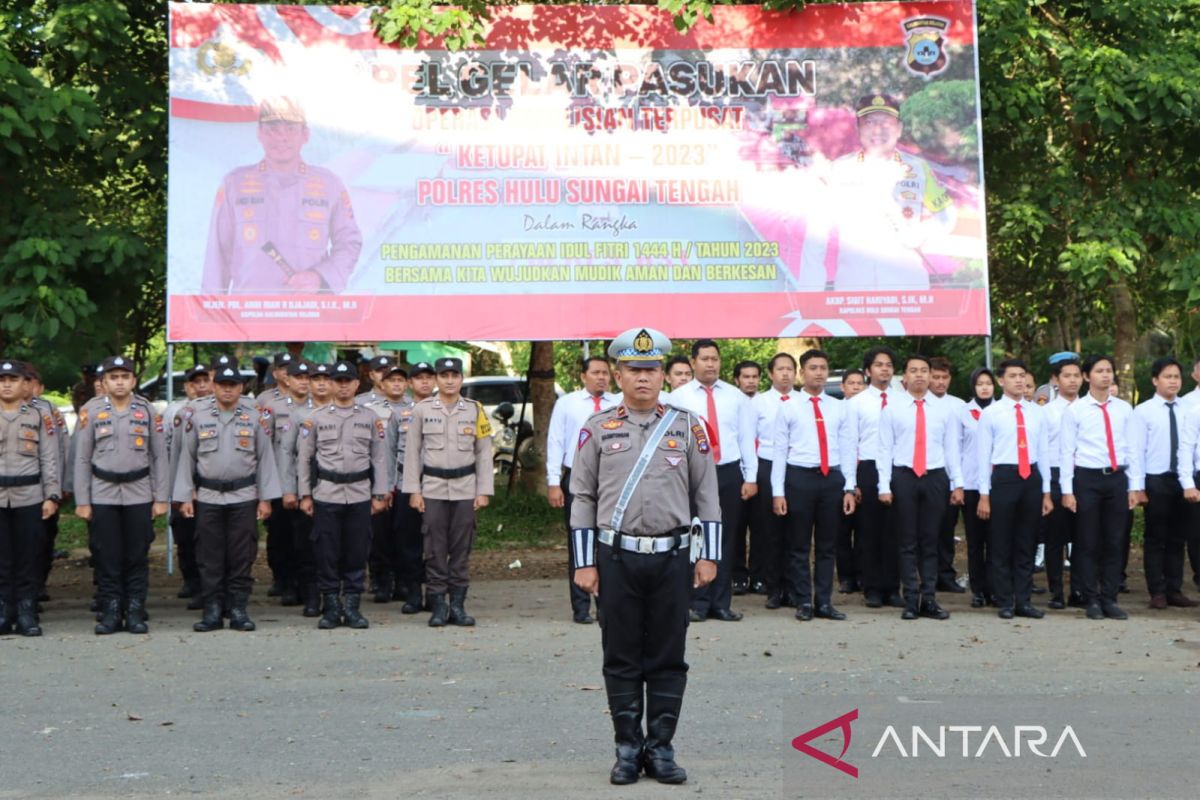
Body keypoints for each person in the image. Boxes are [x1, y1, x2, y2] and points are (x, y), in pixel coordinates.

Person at [568, 327, 720, 786]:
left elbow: (707, 495)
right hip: (617, 558)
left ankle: (662, 748)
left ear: (663, 375)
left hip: (673, 557)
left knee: (668, 654)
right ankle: (628, 750)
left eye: (651, 370)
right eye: (634, 370)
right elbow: (582, 498)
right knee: (621, 653)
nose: (643, 378)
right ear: (617, 374)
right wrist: (584, 562)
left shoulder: (688, 425)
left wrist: (708, 555)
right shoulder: (597, 429)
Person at [201, 97, 363, 294]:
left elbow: (349, 242)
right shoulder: (234, 184)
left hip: (310, 313)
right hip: (248, 314)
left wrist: (320, 277)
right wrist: (211, 313)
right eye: (272, 130)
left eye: (290, 129)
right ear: (260, 133)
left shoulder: (329, 184)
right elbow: (218, 253)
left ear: (305, 135)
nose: (281, 137)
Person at [797, 93, 956, 291]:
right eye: (869, 122)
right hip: (854, 289)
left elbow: (948, 216)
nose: (878, 130)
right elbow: (816, 235)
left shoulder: (918, 168)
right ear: (858, 129)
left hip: (907, 287)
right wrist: (809, 292)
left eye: (886, 122)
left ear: (899, 129)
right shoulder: (838, 170)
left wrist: (921, 232)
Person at [174, 362, 281, 632]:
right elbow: (186, 459)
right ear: (214, 387)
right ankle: (212, 609)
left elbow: (265, 459)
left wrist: (266, 498)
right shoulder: (197, 417)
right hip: (208, 496)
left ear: (241, 388)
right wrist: (185, 496)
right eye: (222, 385)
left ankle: (238, 609)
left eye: (233, 385)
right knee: (209, 556)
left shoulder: (254, 418)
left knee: (241, 556)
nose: (227, 390)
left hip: (243, 496)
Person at [74, 355, 169, 635]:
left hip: (139, 493)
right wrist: (82, 500)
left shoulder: (148, 411)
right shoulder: (90, 411)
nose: (119, 382)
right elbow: (82, 458)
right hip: (102, 493)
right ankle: (112, 611)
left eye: (124, 377)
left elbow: (159, 457)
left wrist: (161, 497)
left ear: (133, 381)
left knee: (137, 555)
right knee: (107, 556)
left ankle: (135, 610)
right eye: (113, 377)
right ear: (103, 382)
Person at [296, 360, 390, 630]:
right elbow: (304, 459)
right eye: (338, 381)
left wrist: (380, 494)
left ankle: (352, 607)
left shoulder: (370, 417)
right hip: (326, 494)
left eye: (348, 380)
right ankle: (331, 608)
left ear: (357, 384)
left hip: (360, 494)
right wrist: (305, 494)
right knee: (326, 552)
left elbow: (379, 459)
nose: (343, 385)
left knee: (356, 552)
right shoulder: (315, 419)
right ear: (333, 384)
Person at [402, 358, 494, 627]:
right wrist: (413, 491)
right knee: (434, 548)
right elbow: (412, 454)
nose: (450, 380)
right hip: (432, 488)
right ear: (436, 379)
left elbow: (483, 453)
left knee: (461, 547)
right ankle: (438, 605)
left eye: (455, 375)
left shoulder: (475, 410)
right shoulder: (421, 410)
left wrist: (484, 490)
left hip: (465, 488)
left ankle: (458, 605)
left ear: (462, 379)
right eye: (444, 375)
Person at [670, 339, 757, 621]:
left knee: (727, 536)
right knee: (696, 535)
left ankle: (721, 602)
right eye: (705, 359)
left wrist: (750, 477)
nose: (710, 364)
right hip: (692, 473)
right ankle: (697, 601)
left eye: (715, 359)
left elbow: (746, 438)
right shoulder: (678, 398)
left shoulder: (736, 397)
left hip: (728, 471)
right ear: (693, 362)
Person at [770, 349, 856, 621]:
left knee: (828, 545)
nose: (819, 372)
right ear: (802, 373)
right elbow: (779, 452)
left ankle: (824, 602)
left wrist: (849, 487)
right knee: (799, 545)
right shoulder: (788, 407)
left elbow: (847, 447)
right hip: (799, 478)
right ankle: (803, 601)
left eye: (823, 367)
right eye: (813, 368)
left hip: (831, 479)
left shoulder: (839, 406)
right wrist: (778, 492)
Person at [878, 354, 963, 620]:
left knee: (930, 540)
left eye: (924, 371)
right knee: (907, 542)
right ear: (904, 376)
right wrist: (883, 485)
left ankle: (930, 599)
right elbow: (884, 449)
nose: (919, 375)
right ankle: (911, 600)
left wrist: (957, 483)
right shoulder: (892, 408)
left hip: (935, 477)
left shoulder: (943, 410)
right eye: (913, 370)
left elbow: (952, 449)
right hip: (904, 476)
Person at [1059, 355, 1137, 620]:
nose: (1105, 375)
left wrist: (1135, 486)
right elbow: (1067, 451)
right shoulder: (1075, 411)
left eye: (1109, 371)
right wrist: (1067, 491)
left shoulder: (1124, 409)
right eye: (1099, 371)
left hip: (1117, 478)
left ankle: (1110, 597)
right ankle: (1089, 597)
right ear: (1086, 376)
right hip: (1087, 479)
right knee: (1087, 541)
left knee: (1115, 541)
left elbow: (1133, 449)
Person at [976, 360, 1053, 619]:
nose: (1019, 381)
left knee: (1026, 542)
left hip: (1030, 477)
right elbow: (983, 456)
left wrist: (1045, 492)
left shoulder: (1036, 412)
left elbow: (1043, 452)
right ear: (1001, 381)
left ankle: (1024, 600)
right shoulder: (992, 413)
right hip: (1004, 478)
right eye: (1013, 376)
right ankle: (1005, 600)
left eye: (1022, 376)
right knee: (1000, 542)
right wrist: (984, 495)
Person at [545, 356, 618, 623]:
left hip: (611, 478)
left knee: (608, 542)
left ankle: (606, 604)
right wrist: (554, 482)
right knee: (580, 539)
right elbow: (555, 442)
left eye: (605, 373)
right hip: (576, 478)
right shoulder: (567, 404)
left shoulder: (619, 404)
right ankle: (580, 606)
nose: (602, 377)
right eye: (596, 373)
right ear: (583, 376)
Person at [1130, 357, 1197, 609]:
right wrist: (1138, 486)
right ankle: (1156, 591)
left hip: (1185, 479)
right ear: (1155, 380)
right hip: (1156, 479)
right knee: (1156, 536)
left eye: (1176, 377)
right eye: (1167, 376)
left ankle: (1174, 589)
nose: (1173, 381)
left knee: (1178, 537)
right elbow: (1136, 451)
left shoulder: (1188, 409)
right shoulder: (1143, 411)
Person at [0, 360, 61, 637]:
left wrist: (51, 495)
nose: (7, 384)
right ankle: (4, 610)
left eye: (13, 379)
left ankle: (26, 612)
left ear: (26, 385)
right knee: (3, 558)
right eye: (2, 380)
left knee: (28, 556)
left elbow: (49, 458)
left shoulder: (39, 416)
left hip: (30, 496)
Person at [847, 347, 904, 608]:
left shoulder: (903, 399)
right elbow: (849, 445)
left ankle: (893, 588)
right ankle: (871, 588)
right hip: (868, 468)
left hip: (897, 467)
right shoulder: (857, 402)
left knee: (895, 531)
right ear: (868, 371)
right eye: (879, 365)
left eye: (889, 364)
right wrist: (851, 483)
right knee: (869, 530)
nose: (885, 369)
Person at [280, 360, 329, 617]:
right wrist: (290, 490)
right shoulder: (298, 416)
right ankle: (311, 596)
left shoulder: (353, 412)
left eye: (326, 378)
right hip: (307, 490)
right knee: (306, 546)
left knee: (336, 546)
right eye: (316, 379)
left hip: (340, 491)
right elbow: (287, 454)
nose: (321, 383)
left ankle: (334, 596)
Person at [258, 352, 306, 605]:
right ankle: (283, 580)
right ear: (276, 373)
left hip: (308, 480)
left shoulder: (317, 403)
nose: (290, 374)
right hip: (278, 478)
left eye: (297, 371)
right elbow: (262, 443)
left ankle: (303, 582)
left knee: (305, 536)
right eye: (285, 369)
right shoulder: (267, 402)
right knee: (280, 534)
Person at [751, 353, 797, 609]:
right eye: (780, 369)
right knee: (770, 529)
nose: (786, 374)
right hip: (766, 464)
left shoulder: (802, 401)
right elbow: (748, 438)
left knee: (795, 529)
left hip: (796, 465)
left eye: (790, 369)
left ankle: (793, 585)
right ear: (770, 374)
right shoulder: (759, 402)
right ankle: (774, 586)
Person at [165, 363, 212, 607]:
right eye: (196, 382)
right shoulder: (176, 413)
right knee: (185, 538)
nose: (202, 386)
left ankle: (208, 589)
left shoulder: (222, 411)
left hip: (210, 488)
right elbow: (168, 453)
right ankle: (191, 583)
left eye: (206, 381)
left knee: (208, 542)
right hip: (182, 487)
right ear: (187, 387)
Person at [367, 363, 411, 603]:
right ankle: (382, 582)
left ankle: (403, 582)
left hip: (406, 483)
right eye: (391, 380)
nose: (396, 384)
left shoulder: (417, 409)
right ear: (382, 384)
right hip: (380, 485)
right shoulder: (370, 411)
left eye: (400, 380)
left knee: (405, 535)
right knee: (380, 537)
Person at [929, 356, 966, 594]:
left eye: (945, 378)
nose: (941, 382)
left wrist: (958, 482)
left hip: (953, 477)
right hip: (928, 475)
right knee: (926, 530)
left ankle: (945, 574)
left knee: (947, 530)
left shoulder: (959, 405)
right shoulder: (918, 403)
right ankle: (926, 575)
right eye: (936, 377)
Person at [960, 367, 995, 607]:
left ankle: (995, 588)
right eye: (980, 383)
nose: (984, 387)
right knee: (975, 541)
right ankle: (978, 590)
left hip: (997, 484)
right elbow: (956, 448)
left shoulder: (1002, 410)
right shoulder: (963, 412)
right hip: (971, 483)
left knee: (996, 540)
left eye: (988, 383)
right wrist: (958, 484)